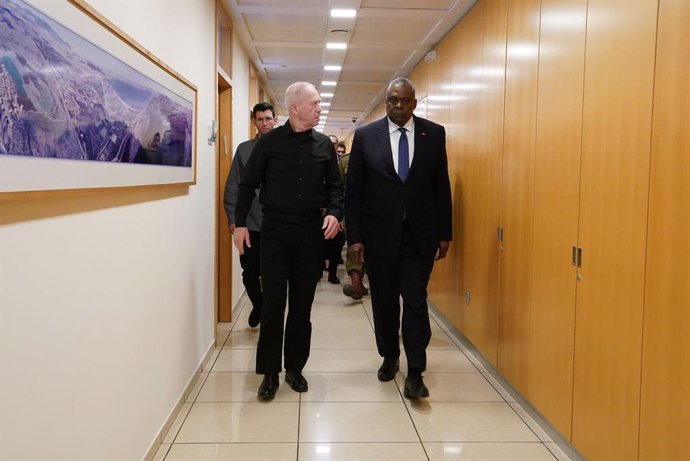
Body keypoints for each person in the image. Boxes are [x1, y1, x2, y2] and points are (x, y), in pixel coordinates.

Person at [234, 82, 344, 400]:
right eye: (315, 102)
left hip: (310, 233)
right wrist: (240, 224)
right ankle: (269, 372)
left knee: (301, 305)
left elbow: (336, 189)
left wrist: (335, 214)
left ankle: (294, 368)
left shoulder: (324, 145)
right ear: (296, 108)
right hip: (275, 232)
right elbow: (247, 185)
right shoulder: (268, 144)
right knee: (272, 304)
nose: (320, 107)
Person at [345, 77, 452, 399]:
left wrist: (445, 233)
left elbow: (441, 186)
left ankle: (416, 370)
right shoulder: (366, 137)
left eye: (405, 101)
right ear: (386, 101)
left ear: (415, 103)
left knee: (416, 301)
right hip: (379, 236)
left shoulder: (433, 134)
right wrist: (355, 238)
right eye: (393, 100)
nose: (398, 106)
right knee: (385, 301)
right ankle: (390, 355)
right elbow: (355, 192)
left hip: (419, 236)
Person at [224, 102, 277, 327]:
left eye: (268, 119)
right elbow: (233, 186)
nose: (264, 123)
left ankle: (270, 314)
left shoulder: (285, 147)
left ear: (275, 120)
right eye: (259, 119)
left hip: (277, 223)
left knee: (274, 273)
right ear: (254, 122)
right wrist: (234, 219)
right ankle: (259, 304)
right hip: (250, 223)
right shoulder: (244, 150)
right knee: (250, 271)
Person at [337, 142, 368, 300]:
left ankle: (357, 282)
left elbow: (340, 188)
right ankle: (357, 283)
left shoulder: (345, 160)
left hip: (352, 211)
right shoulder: (381, 157)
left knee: (354, 245)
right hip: (372, 212)